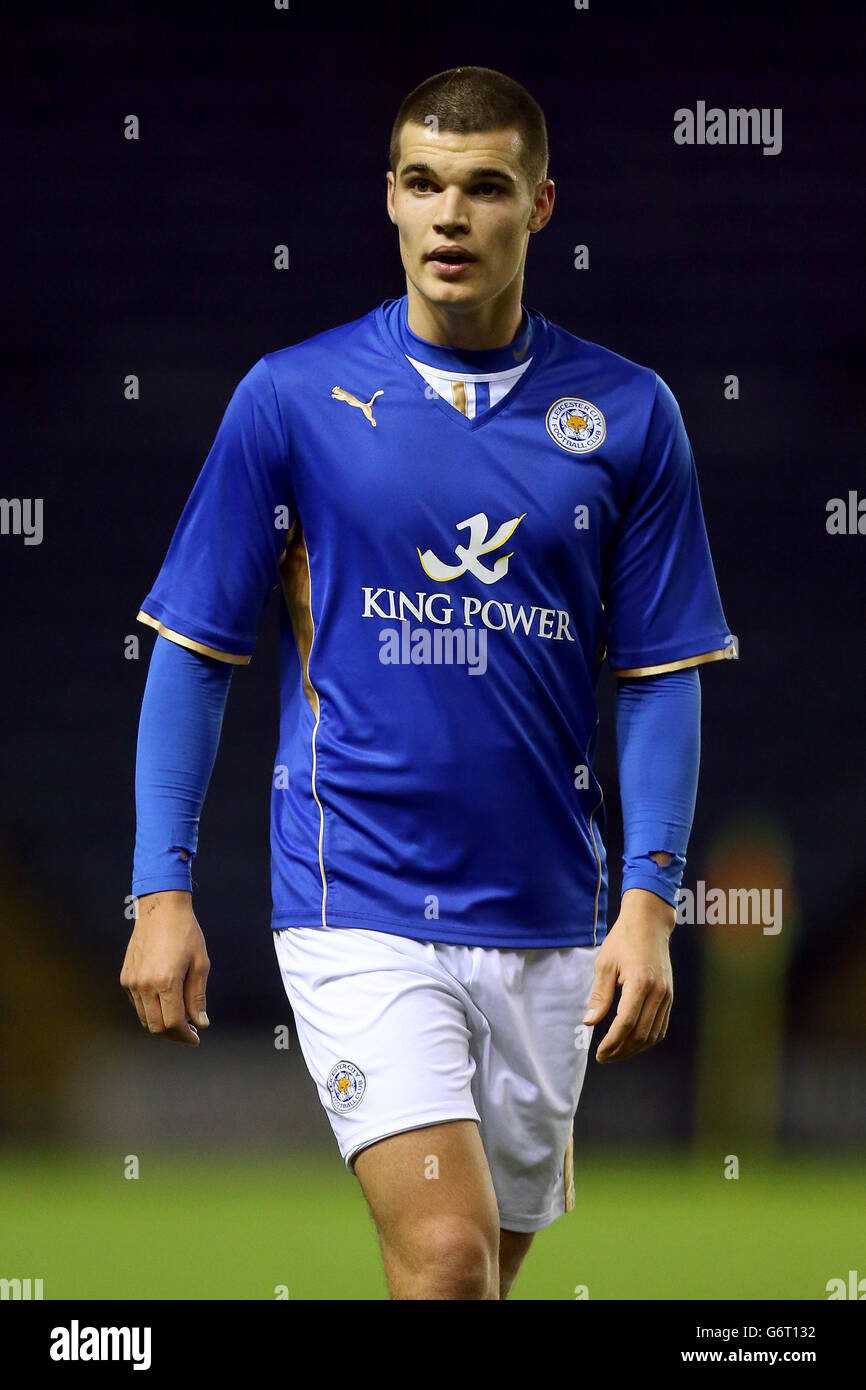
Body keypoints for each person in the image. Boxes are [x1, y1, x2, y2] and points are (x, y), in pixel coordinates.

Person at [122, 65, 735, 1300]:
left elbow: (660, 677)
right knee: (448, 1259)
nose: (450, 214)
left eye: (484, 187)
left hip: (552, 917)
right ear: (391, 203)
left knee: (476, 1280)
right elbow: (194, 649)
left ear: (540, 206)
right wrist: (158, 891)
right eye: (423, 185)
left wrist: (650, 904)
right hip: (358, 898)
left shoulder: (627, 414)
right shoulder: (289, 399)